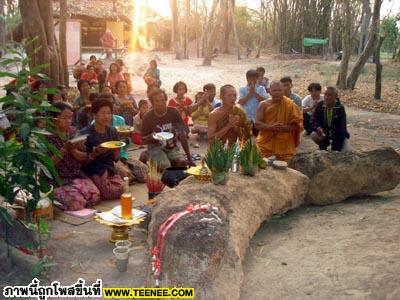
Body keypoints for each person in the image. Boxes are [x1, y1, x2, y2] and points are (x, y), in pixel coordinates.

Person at [47, 102, 100, 210]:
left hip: (75, 175)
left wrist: (93, 153)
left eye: (70, 117)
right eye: (64, 118)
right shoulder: (47, 137)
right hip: (58, 179)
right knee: (77, 202)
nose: (68, 121)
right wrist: (64, 149)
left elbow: (80, 157)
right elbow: (49, 164)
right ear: (54, 118)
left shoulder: (72, 131)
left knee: (95, 195)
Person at [90, 94, 148, 184]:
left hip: (122, 155)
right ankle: (124, 173)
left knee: (145, 171)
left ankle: (126, 170)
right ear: (96, 113)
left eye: (111, 106)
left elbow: (126, 145)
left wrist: (127, 137)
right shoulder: (94, 125)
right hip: (107, 160)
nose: (106, 115)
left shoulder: (119, 120)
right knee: (126, 175)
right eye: (103, 112)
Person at [80, 98, 124, 200]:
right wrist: (95, 153)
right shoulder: (85, 133)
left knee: (122, 189)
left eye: (108, 113)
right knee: (111, 192)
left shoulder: (112, 131)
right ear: (94, 115)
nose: (106, 116)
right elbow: (82, 162)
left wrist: (117, 148)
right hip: (93, 168)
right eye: (103, 113)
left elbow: (116, 159)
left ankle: (103, 185)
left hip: (109, 166)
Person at [141, 88, 195, 170]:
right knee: (166, 168)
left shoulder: (173, 112)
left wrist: (189, 158)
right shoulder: (148, 117)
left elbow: (183, 135)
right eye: (157, 101)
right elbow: (143, 139)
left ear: (166, 100)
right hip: (155, 147)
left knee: (182, 165)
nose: (160, 103)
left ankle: (167, 159)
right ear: (152, 103)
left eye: (162, 100)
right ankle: (146, 155)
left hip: (171, 147)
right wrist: (150, 137)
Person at [255, 81, 303, 162]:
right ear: (270, 91)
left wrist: (283, 128)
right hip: (265, 141)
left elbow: (296, 125)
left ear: (283, 91)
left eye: (279, 90)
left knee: (286, 165)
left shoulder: (290, 105)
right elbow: (257, 124)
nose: (277, 93)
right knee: (261, 162)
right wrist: (270, 127)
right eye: (274, 90)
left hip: (284, 143)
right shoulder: (263, 104)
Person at [311, 86, 350, 151]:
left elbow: (341, 128)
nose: (326, 97)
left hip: (337, 134)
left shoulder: (340, 108)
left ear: (335, 96)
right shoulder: (320, 105)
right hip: (324, 132)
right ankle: (323, 146)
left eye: (330, 95)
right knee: (314, 135)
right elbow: (313, 120)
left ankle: (335, 146)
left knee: (344, 152)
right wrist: (317, 127)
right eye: (325, 94)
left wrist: (335, 149)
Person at [238, 69, 268, 135]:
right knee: (246, 139)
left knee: (258, 138)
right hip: (246, 118)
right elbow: (240, 103)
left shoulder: (261, 88)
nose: (252, 80)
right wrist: (249, 93)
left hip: (258, 119)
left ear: (257, 78)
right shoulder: (242, 89)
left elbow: (265, 101)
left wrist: (255, 92)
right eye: (250, 78)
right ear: (247, 79)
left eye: (254, 78)